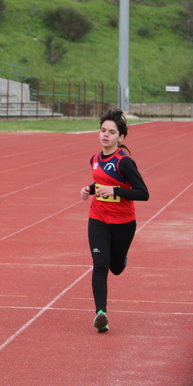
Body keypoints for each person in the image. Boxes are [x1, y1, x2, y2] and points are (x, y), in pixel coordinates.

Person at [79, 108, 149, 333]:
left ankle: (122, 258)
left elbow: (142, 193)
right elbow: (100, 183)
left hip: (123, 222)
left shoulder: (125, 162)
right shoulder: (95, 159)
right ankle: (101, 314)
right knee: (100, 265)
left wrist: (115, 190)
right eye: (102, 130)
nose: (105, 135)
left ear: (121, 137)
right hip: (98, 217)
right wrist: (89, 189)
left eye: (111, 132)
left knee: (116, 268)